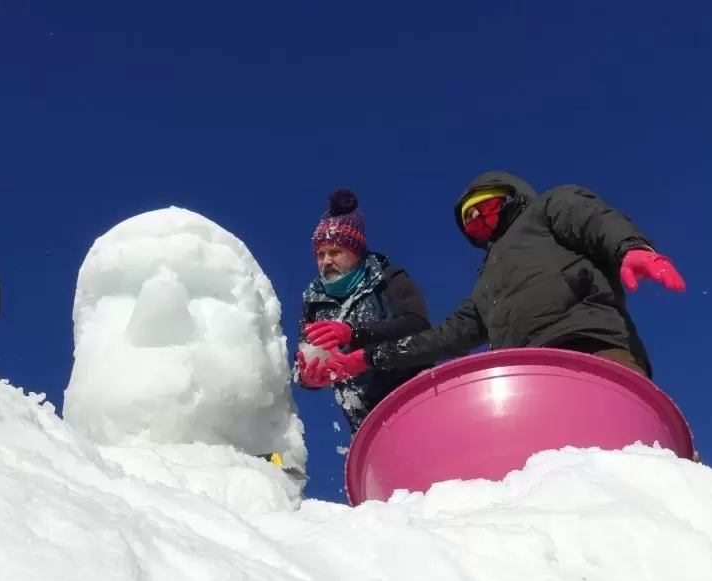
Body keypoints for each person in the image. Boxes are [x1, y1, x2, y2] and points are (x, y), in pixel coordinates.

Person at [321, 171, 686, 382]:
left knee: (630, 454)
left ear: (514, 200)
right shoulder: (486, 287)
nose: (480, 223)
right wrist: (367, 359)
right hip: (525, 376)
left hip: (590, 347)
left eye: (488, 210)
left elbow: (593, 220)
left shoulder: (547, 209)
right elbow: (442, 338)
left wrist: (632, 248)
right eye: (471, 221)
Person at [292, 189, 432, 433]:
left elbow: (416, 324)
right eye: (320, 254)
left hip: (417, 401)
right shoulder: (313, 302)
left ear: (356, 252)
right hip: (366, 425)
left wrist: (354, 332)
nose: (326, 261)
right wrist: (308, 378)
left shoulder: (388, 278)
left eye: (335, 252)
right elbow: (303, 356)